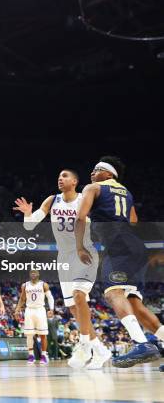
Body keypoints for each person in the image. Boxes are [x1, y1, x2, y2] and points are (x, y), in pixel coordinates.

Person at [14, 169, 110, 369]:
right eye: (58, 176)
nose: (60, 178)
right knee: (75, 309)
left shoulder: (85, 199)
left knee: (78, 296)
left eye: (65, 176)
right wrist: (27, 214)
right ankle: (99, 350)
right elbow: (30, 226)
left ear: (75, 181)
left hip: (84, 253)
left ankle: (84, 346)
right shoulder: (52, 200)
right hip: (64, 258)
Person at [75, 156, 162, 368]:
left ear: (108, 174)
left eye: (97, 170)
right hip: (136, 247)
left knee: (113, 293)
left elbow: (80, 217)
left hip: (118, 248)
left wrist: (80, 246)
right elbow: (133, 220)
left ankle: (142, 344)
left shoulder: (93, 188)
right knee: (134, 304)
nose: (92, 173)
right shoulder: (128, 193)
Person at [14, 270, 55, 365]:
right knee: (29, 334)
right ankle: (31, 355)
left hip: (40, 310)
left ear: (38, 274)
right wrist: (17, 309)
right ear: (29, 274)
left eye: (35, 272)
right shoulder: (25, 285)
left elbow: (50, 297)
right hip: (29, 310)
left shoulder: (43, 284)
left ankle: (44, 355)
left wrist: (51, 309)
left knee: (43, 334)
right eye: (31, 272)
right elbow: (22, 299)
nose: (33, 274)